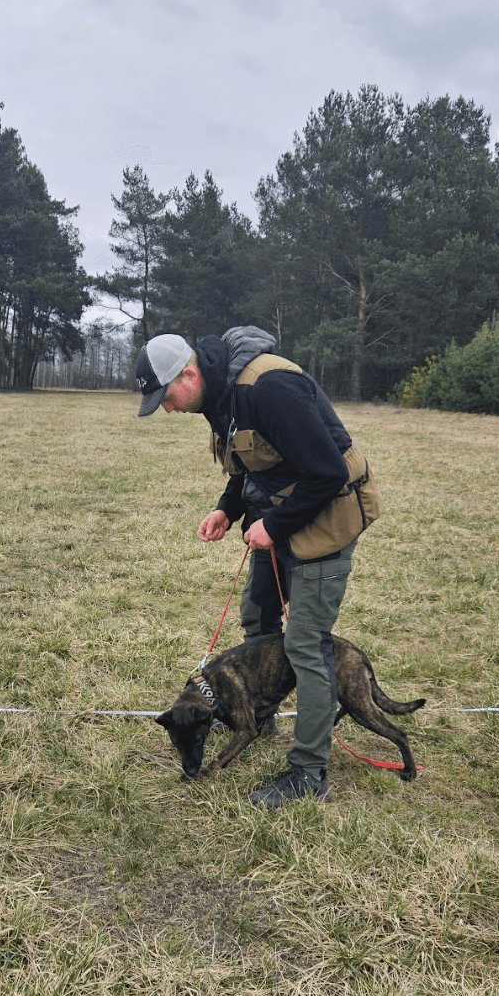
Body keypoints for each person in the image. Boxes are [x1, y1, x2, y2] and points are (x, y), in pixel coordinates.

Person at [137, 326, 382, 807]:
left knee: (306, 645)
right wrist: (227, 509)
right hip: (281, 521)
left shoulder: (269, 389)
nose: (167, 409)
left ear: (188, 375)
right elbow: (249, 466)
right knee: (257, 613)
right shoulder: (220, 399)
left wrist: (274, 524)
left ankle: (309, 772)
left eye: (166, 398)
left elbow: (328, 472)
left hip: (325, 521)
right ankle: (256, 715)